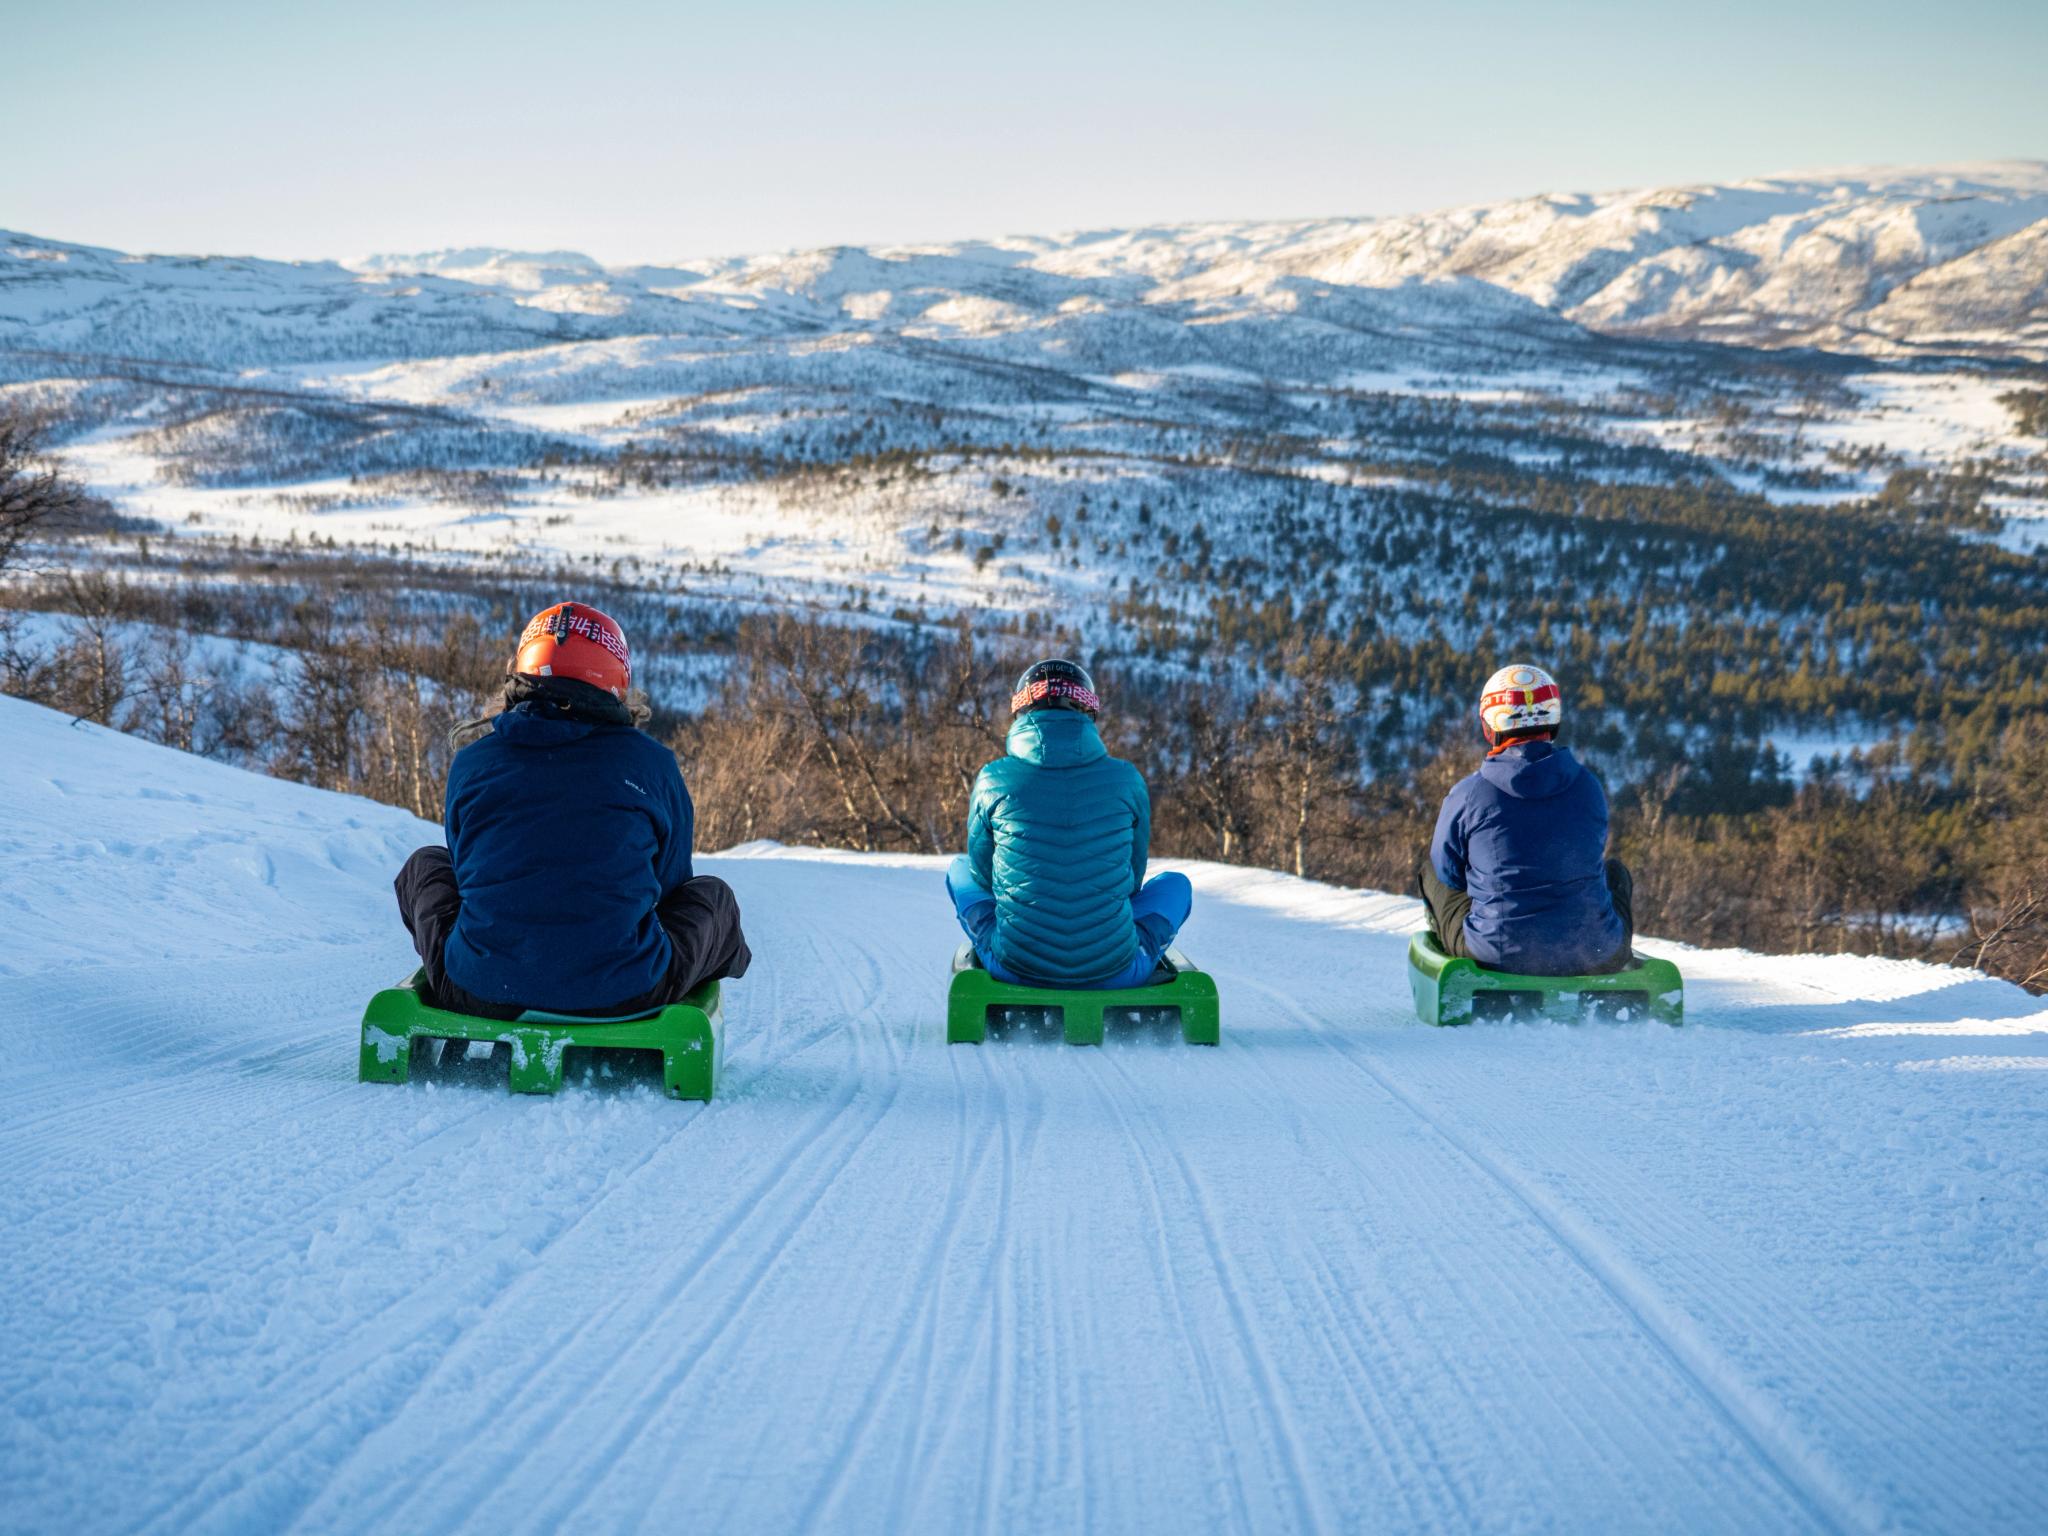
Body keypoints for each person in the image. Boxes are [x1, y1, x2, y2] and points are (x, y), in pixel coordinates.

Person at [394, 601, 750, 1020]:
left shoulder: (474, 761)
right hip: (624, 993)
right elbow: (670, 884)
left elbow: (467, 867)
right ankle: (693, 988)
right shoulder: (652, 765)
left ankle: (491, 968)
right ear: (616, 680)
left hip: (477, 989)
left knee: (427, 865)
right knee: (712, 898)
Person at [947, 659, 1192, 989]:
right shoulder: (1126, 779)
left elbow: (982, 874)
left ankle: (1011, 944)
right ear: (1088, 712)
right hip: (1114, 969)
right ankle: (1117, 949)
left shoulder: (992, 779)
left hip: (1016, 965)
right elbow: (1132, 881)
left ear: (1021, 710)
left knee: (959, 870)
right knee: (1176, 884)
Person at [1418, 663, 1634, 976]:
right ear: (1554, 719)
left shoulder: (1469, 794)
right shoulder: (1588, 786)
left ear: (1489, 726)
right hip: (1596, 952)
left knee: (1432, 872)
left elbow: (1447, 871)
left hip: (1499, 954)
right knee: (1615, 872)